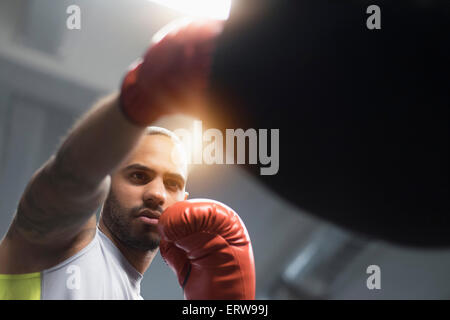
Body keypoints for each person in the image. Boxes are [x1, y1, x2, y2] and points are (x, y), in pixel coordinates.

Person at [0, 19, 255, 300]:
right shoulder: (59, 252)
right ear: (106, 183)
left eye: (172, 183)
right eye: (138, 176)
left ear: (184, 199)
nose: (156, 194)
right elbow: (70, 176)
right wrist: (140, 97)